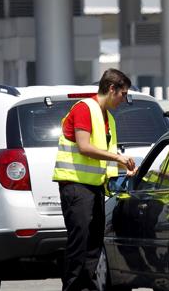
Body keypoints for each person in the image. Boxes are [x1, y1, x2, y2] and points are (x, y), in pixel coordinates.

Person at [53, 69, 137, 291]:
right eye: (123, 94)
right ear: (111, 89)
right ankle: (72, 287)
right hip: (76, 185)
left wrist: (123, 167)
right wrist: (118, 157)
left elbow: (104, 153)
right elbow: (85, 147)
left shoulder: (108, 117)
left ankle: (87, 286)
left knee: (94, 244)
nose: (124, 99)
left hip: (95, 187)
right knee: (79, 242)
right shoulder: (84, 108)